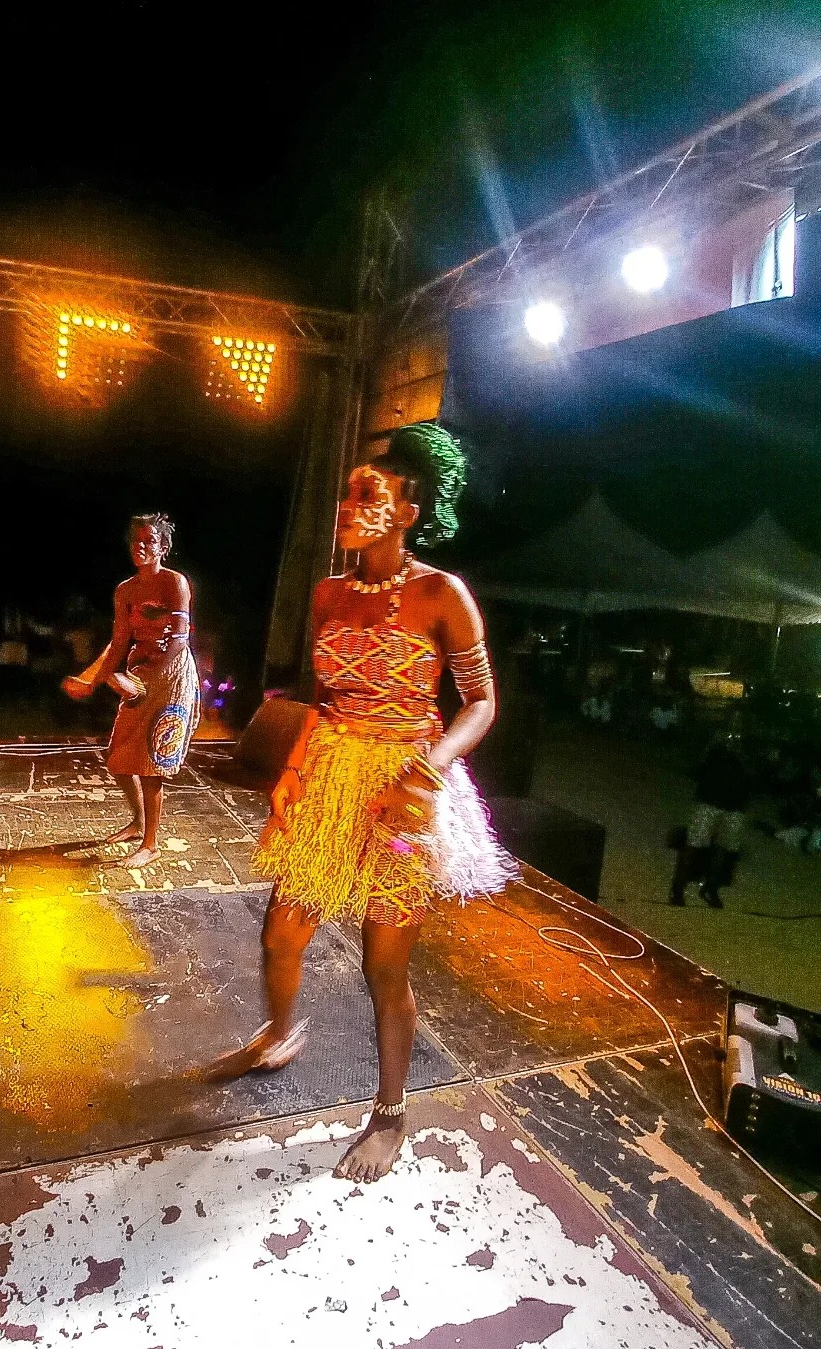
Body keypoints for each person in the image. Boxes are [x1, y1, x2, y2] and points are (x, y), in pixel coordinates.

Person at [205, 423, 517, 1183]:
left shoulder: (442, 595)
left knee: (384, 961)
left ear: (407, 511)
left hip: (407, 792)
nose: (348, 506)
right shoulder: (328, 592)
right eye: (346, 493)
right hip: (332, 777)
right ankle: (276, 1035)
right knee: (281, 934)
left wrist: (428, 769)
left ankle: (389, 1111)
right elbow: (323, 699)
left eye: (367, 494)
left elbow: (481, 702)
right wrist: (293, 771)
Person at [62, 513, 200, 869]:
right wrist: (94, 681)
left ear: (163, 547)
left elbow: (179, 640)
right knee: (119, 757)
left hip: (171, 676)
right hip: (141, 673)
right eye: (136, 541)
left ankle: (150, 844)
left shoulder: (175, 583)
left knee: (151, 764)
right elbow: (119, 640)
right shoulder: (125, 590)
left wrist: (146, 682)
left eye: (149, 541)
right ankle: (138, 822)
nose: (141, 547)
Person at [669, 729, 751, 908]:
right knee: (693, 845)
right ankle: (678, 887)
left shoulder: (751, 742)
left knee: (724, 849)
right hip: (710, 799)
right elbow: (696, 766)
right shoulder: (717, 737)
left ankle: (710, 888)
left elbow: (755, 773)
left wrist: (743, 754)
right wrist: (715, 745)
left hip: (735, 803)